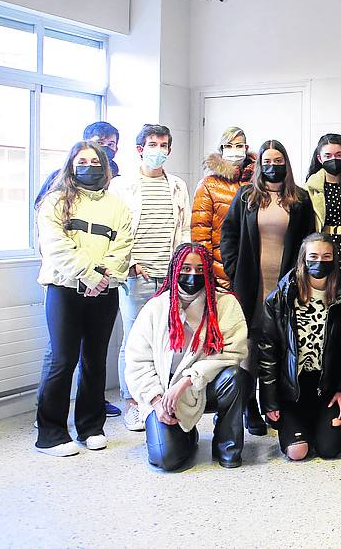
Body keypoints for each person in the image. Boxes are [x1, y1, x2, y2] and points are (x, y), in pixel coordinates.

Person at [34, 141, 132, 456]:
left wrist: (103, 277)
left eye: (94, 161)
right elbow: (55, 246)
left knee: (94, 361)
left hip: (104, 292)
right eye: (82, 160)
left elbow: (123, 245)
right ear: (71, 165)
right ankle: (50, 433)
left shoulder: (118, 205)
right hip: (64, 290)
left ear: (104, 167)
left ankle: (90, 427)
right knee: (63, 360)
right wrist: (89, 275)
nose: (88, 165)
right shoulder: (55, 201)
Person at [124, 243, 250, 470]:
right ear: (174, 269)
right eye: (186, 268)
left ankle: (226, 444)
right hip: (164, 393)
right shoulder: (156, 308)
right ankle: (186, 435)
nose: (193, 275)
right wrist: (155, 400)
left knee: (236, 377)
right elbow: (137, 362)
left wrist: (189, 379)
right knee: (166, 460)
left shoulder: (225, 303)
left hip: (205, 386)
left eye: (201, 270)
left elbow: (234, 351)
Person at [220, 139, 316, 436]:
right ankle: (249, 407)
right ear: (259, 164)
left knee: (277, 344)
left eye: (278, 161)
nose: (273, 166)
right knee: (248, 346)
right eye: (267, 161)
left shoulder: (299, 198)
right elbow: (229, 235)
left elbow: (309, 240)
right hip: (251, 283)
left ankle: (275, 404)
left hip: (286, 284)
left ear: (286, 163)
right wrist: (235, 270)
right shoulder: (246, 196)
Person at [110, 124, 192, 432]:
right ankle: (133, 402)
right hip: (137, 275)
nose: (158, 150)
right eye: (152, 144)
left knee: (169, 338)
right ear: (140, 149)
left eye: (164, 144)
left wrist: (182, 265)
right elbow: (115, 230)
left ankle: (162, 398)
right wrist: (129, 262)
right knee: (134, 340)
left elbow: (184, 228)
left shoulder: (177, 185)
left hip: (171, 275)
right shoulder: (122, 186)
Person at [259, 233, 341, 461]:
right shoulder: (280, 299)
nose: (319, 262)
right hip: (292, 389)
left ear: (334, 260)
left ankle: (318, 423)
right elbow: (267, 352)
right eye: (313, 256)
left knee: (329, 450)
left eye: (326, 256)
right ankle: (300, 425)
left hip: (328, 388)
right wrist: (270, 401)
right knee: (297, 452)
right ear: (302, 259)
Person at [191, 126, 256, 290]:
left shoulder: (258, 181)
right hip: (220, 271)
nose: (234, 150)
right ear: (221, 149)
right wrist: (206, 270)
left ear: (246, 148)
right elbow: (200, 233)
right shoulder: (209, 184)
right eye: (228, 146)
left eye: (239, 145)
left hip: (253, 265)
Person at [304, 133, 341, 277]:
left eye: (338, 154)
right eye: (328, 156)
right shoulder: (310, 188)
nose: (334, 159)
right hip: (323, 248)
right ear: (320, 158)